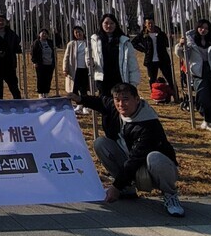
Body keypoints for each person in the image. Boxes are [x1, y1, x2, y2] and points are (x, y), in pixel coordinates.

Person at [67, 82, 184, 218]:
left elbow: (136, 159)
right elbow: (101, 102)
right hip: (132, 163)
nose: (121, 104)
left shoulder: (148, 124)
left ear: (137, 99)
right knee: (101, 143)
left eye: (126, 99)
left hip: (153, 167)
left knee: (155, 157)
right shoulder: (115, 108)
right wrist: (80, 99)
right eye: (117, 100)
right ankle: (127, 190)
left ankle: (170, 195)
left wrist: (116, 187)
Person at [89, 13, 140, 97]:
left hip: (119, 77)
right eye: (106, 23)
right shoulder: (94, 40)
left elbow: (132, 63)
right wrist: (90, 62)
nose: (109, 26)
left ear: (116, 24)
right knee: (104, 102)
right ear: (101, 24)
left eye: (112, 23)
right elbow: (89, 57)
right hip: (102, 78)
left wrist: (134, 82)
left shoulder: (124, 41)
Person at [131, 16, 174, 103]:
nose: (150, 25)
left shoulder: (160, 33)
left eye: (152, 23)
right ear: (145, 24)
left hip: (163, 59)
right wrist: (144, 49)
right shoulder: (143, 34)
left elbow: (168, 44)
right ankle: (155, 96)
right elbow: (133, 43)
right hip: (150, 61)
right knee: (152, 79)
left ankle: (172, 95)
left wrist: (170, 39)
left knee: (169, 78)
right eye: (148, 23)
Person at [63, 26, 91, 114]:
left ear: (83, 32)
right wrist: (65, 68)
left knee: (84, 88)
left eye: (79, 32)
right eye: (76, 33)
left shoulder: (88, 43)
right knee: (74, 88)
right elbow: (66, 57)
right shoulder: (71, 44)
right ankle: (78, 105)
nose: (78, 34)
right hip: (74, 69)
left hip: (85, 69)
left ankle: (85, 105)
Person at [31, 29, 58, 98]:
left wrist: (56, 34)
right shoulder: (37, 42)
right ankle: (40, 93)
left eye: (45, 33)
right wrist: (34, 62)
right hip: (40, 64)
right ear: (39, 34)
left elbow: (59, 42)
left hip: (50, 64)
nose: (44, 35)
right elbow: (33, 53)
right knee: (40, 79)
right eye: (42, 33)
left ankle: (46, 92)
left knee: (48, 79)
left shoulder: (50, 42)